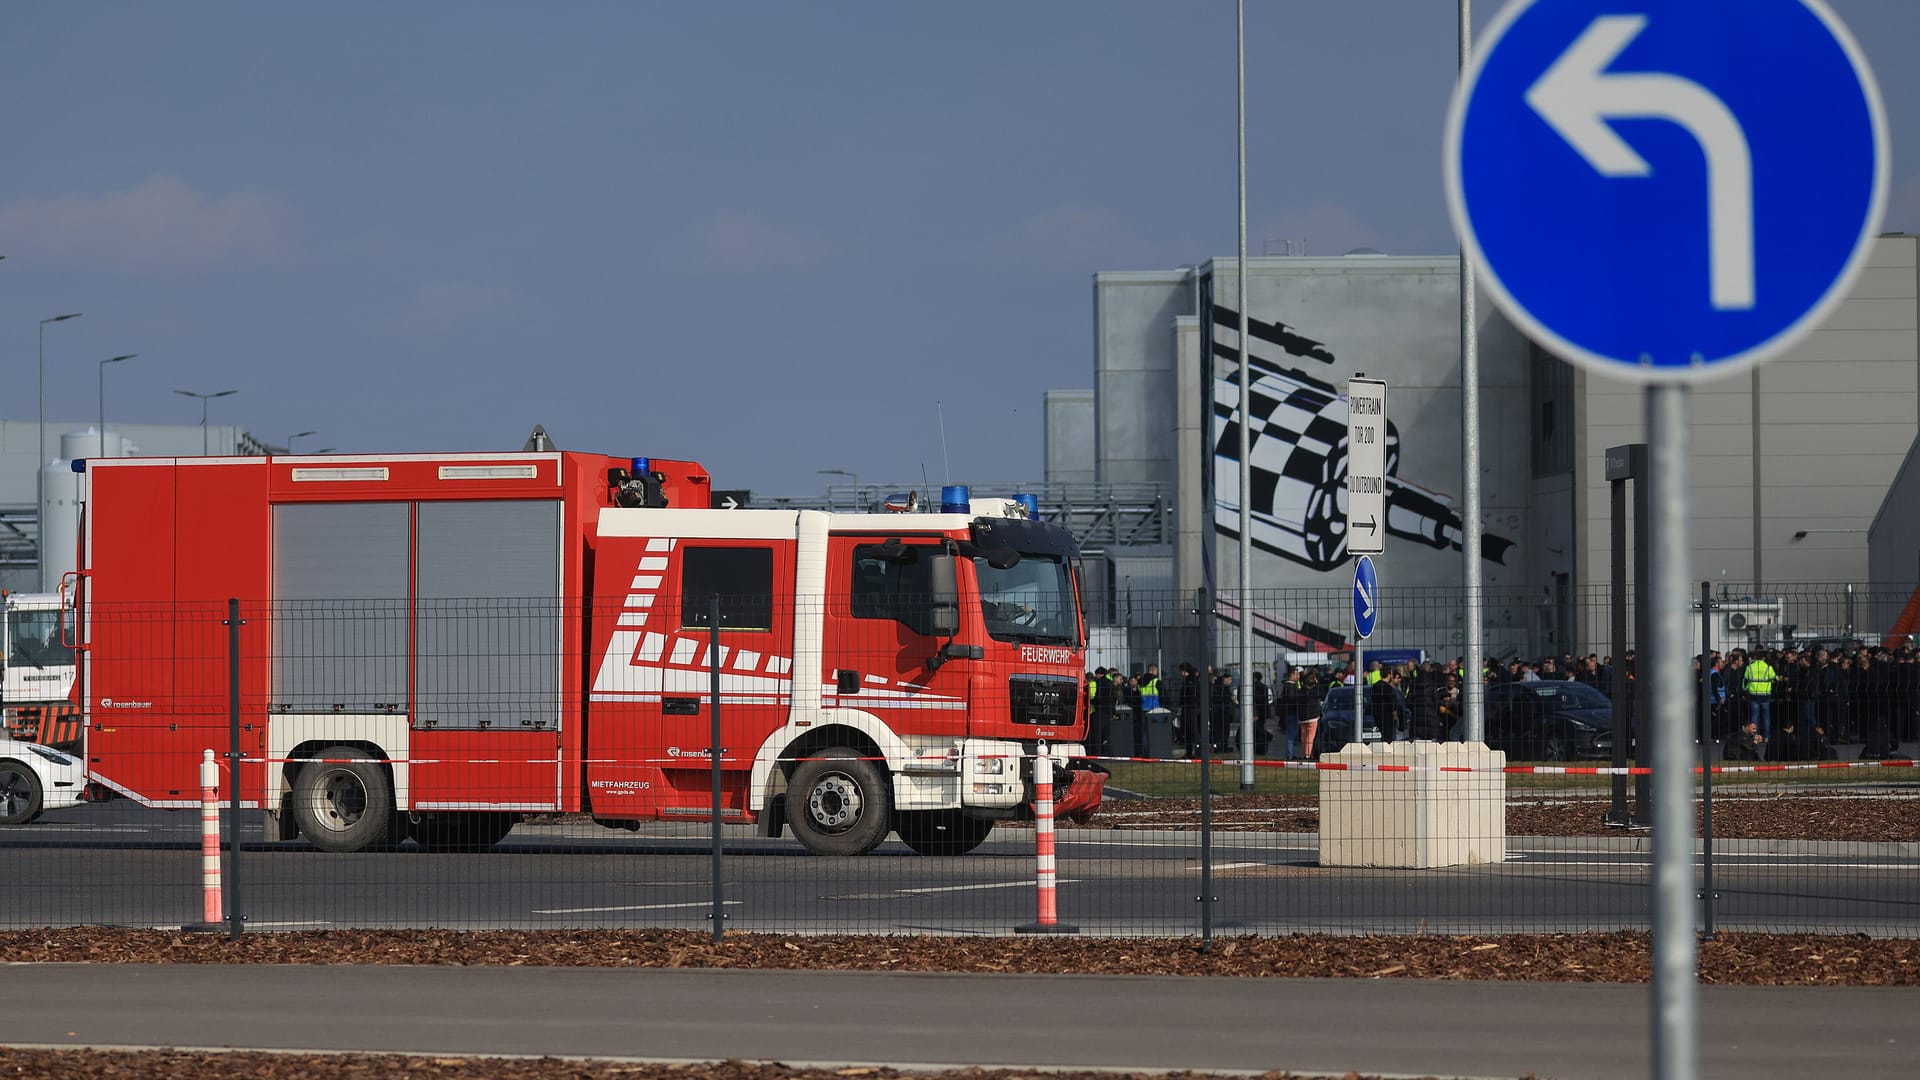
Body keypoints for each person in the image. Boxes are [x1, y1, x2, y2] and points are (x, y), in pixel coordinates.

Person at [1744, 650, 1778, 739]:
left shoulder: (1750, 667)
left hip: (1753, 694)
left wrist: (1745, 689)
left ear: (1755, 657)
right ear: (1764, 658)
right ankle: (1766, 736)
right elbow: (1774, 679)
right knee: (1766, 716)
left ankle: (1754, 735)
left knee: (1754, 715)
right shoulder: (1768, 667)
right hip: (1765, 695)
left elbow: (1745, 680)